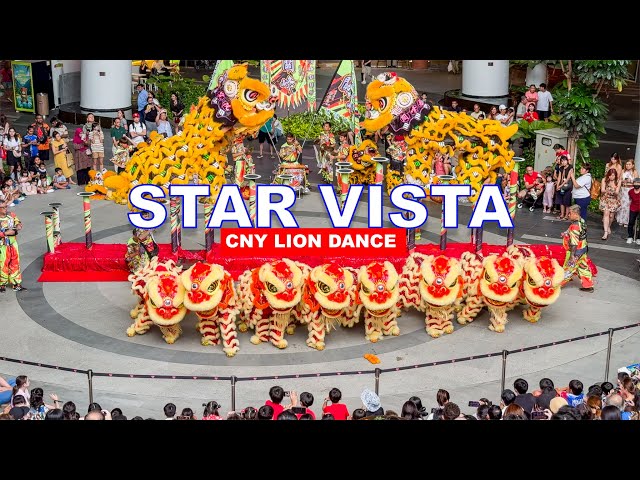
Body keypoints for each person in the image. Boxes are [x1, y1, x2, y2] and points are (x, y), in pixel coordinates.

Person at [561, 204, 594, 292]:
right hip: (583, 249)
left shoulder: (574, 226)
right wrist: (566, 233)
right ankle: (588, 285)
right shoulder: (582, 221)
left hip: (576, 252)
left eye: (570, 213)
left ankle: (557, 285)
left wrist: (572, 256)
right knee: (583, 267)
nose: (568, 215)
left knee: (568, 269)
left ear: (575, 214)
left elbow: (574, 243)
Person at [0, 203, 26, 292]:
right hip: (2, 246)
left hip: (13, 244)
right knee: (2, 264)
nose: (5, 208)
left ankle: (16, 284)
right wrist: (5, 233)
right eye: (2, 207)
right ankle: (1, 284)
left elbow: (18, 222)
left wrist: (19, 226)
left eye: (5, 206)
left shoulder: (11, 215)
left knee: (15, 263)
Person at [599, 167, 621, 240]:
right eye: (610, 175)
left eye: (613, 175)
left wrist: (614, 188)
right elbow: (602, 190)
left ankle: (608, 226)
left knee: (611, 216)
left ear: (615, 176)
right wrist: (606, 188)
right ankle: (605, 232)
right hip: (605, 199)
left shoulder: (618, 181)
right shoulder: (604, 180)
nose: (611, 177)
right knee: (606, 214)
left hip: (614, 199)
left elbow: (617, 193)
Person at [618, 160, 638, 228]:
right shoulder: (623, 171)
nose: (627, 165)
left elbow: (637, 182)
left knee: (628, 205)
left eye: (629, 164)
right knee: (622, 204)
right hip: (623, 189)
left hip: (630, 189)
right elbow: (619, 179)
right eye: (627, 164)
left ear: (632, 165)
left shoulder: (634, 172)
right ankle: (620, 220)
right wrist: (622, 181)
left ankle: (626, 221)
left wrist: (631, 181)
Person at [555, 156, 573, 220]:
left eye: (564, 160)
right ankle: (562, 214)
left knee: (567, 201)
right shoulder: (561, 168)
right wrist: (557, 185)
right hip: (561, 184)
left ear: (567, 161)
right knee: (561, 200)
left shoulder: (570, 167)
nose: (563, 162)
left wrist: (561, 185)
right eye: (562, 161)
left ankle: (566, 215)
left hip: (567, 185)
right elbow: (559, 177)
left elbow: (568, 178)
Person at [626, 178, 640, 245]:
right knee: (631, 222)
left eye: (638, 183)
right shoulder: (630, 191)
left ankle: (639, 238)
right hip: (633, 208)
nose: (636, 184)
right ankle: (630, 236)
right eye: (635, 183)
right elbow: (630, 199)